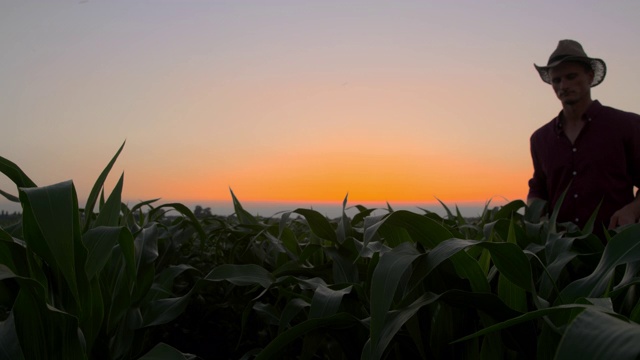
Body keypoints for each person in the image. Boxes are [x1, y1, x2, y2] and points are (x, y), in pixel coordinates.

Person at [527, 39, 640, 236]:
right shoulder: (540, 139)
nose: (564, 85)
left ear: (590, 76)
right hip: (560, 256)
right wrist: (535, 209)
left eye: (571, 77)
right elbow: (538, 189)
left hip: (615, 251)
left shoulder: (627, 126)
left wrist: (632, 210)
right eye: (557, 80)